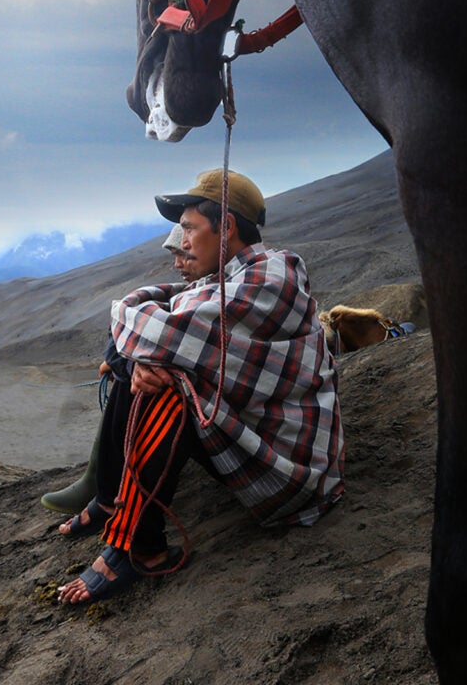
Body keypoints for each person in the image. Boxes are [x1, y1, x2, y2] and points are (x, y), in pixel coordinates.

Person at [57, 169, 344, 604]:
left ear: (225, 226)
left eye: (188, 228)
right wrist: (136, 354)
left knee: (168, 383)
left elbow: (150, 324)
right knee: (145, 365)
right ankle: (112, 498)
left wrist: (139, 348)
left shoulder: (270, 281)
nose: (181, 241)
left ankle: (135, 549)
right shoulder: (225, 281)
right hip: (248, 438)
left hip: (291, 468)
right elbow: (154, 317)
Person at [40, 226, 196, 516]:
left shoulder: (220, 296)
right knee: (134, 363)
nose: (177, 264)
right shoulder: (199, 290)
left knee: (140, 379)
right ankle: (102, 485)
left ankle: (106, 493)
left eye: (184, 254)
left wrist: (125, 361)